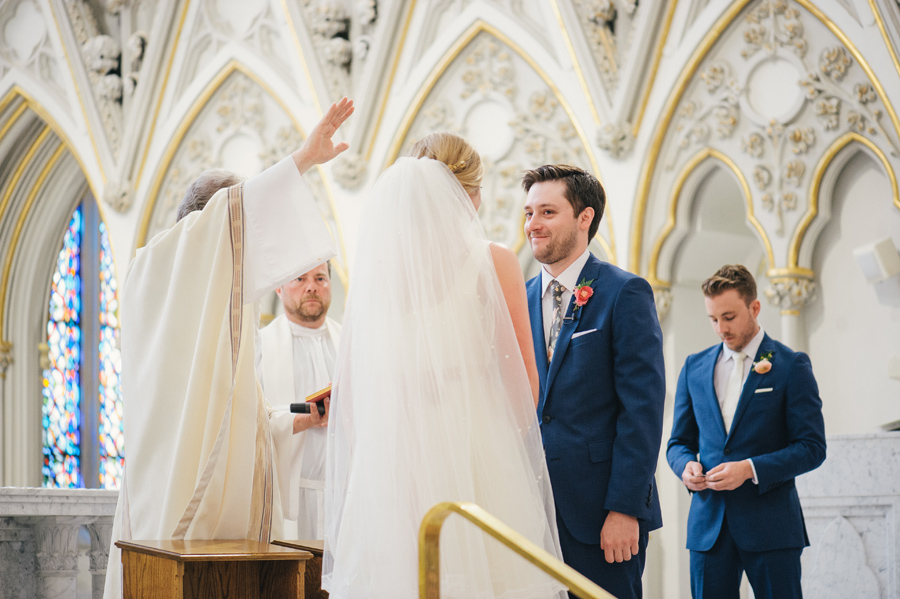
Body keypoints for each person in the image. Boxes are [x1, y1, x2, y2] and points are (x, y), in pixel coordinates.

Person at [102, 98, 354, 599]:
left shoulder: (207, 290)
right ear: (212, 224)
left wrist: (293, 421)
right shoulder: (167, 262)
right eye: (243, 223)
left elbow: (238, 408)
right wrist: (301, 159)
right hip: (183, 486)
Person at [323, 132, 564, 599]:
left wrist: (382, 458)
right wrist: (506, 461)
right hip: (477, 451)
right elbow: (525, 385)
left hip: (393, 464)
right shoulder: (491, 260)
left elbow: (349, 394)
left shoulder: (378, 273)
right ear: (467, 195)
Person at [522, 165, 665, 599]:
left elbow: (641, 411)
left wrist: (624, 509)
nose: (533, 225)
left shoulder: (624, 292)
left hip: (601, 512)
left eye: (547, 211)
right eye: (528, 212)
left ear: (584, 218)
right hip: (530, 510)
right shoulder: (519, 296)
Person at [666, 264, 826, 599]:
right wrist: (686, 467)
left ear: (754, 307)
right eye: (713, 319)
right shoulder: (694, 367)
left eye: (729, 317)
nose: (720, 328)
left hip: (771, 527)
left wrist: (750, 469)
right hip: (708, 526)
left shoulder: (790, 365)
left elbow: (811, 447)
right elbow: (678, 443)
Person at [258, 262, 340, 540]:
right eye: (300, 278)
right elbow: (250, 419)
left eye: (320, 278)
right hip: (287, 498)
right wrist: (304, 420)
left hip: (345, 497)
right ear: (279, 287)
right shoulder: (258, 347)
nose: (312, 286)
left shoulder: (350, 344)